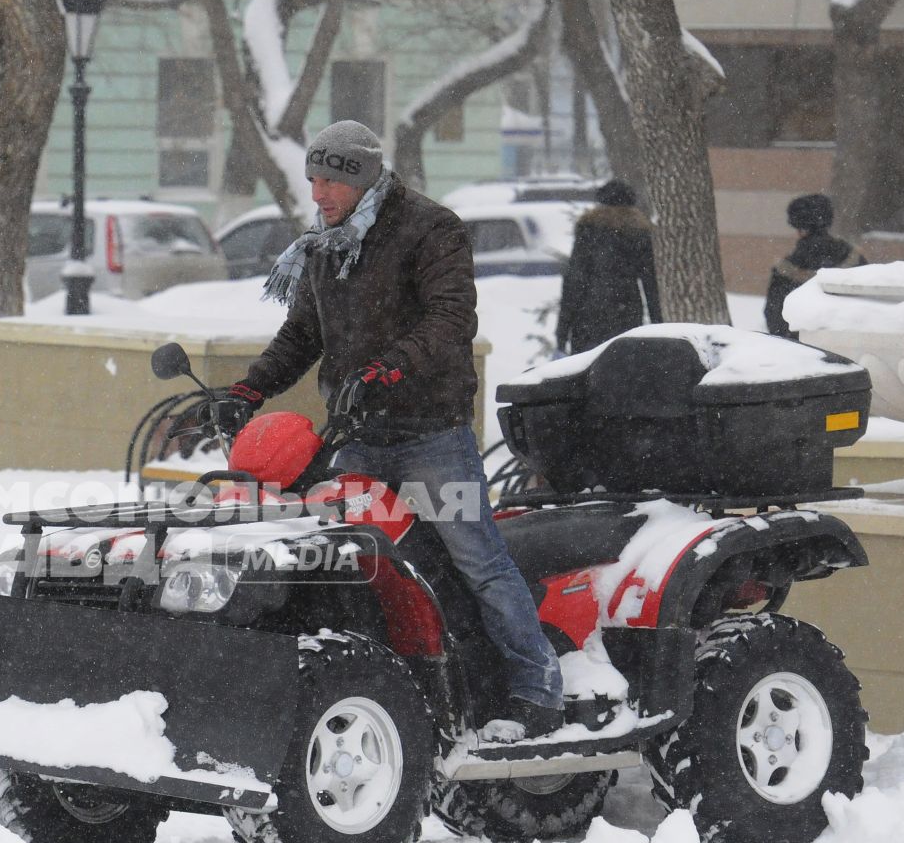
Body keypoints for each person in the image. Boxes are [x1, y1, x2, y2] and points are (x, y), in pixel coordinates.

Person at [223, 120, 565, 740]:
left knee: (477, 559)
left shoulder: (430, 228)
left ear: (362, 177)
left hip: (429, 432)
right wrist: (251, 386)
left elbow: (451, 316)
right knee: (346, 561)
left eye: (330, 180)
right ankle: (389, 683)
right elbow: (304, 333)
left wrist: (391, 368)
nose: (318, 193)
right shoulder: (327, 245)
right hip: (356, 434)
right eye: (313, 180)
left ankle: (536, 686)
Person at [554, 178, 662, 357]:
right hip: (627, 312)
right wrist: (658, 325)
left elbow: (574, 279)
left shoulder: (588, 229)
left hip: (588, 314)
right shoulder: (639, 232)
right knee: (622, 368)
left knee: (585, 370)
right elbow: (650, 283)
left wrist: (562, 334)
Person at [765, 193, 866, 340]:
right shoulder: (855, 260)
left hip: (801, 349)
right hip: (849, 344)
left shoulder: (787, 268)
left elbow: (775, 318)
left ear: (800, 228)